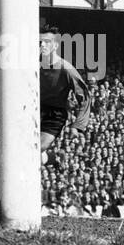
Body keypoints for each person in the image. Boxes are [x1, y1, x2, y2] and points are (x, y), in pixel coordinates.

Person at [39, 25, 92, 160]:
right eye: (40, 42)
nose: (42, 45)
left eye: (47, 42)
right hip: (35, 110)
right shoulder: (34, 65)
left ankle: (52, 157)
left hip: (54, 115)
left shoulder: (66, 69)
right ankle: (49, 157)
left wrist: (78, 125)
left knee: (36, 148)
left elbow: (85, 97)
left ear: (56, 45)